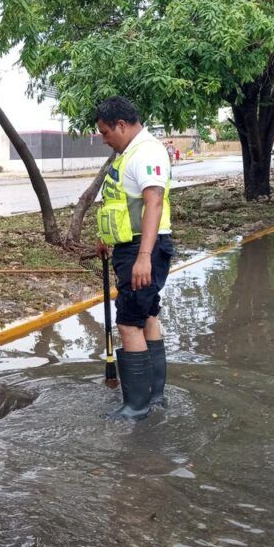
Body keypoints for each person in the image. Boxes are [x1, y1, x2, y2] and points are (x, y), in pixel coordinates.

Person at [95, 96, 174, 417]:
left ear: (121, 125)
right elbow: (123, 203)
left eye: (105, 132)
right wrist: (106, 238)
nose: (104, 139)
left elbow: (153, 202)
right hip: (134, 245)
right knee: (147, 316)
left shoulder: (147, 153)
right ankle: (153, 397)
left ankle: (136, 408)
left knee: (128, 323)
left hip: (144, 248)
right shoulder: (130, 153)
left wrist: (143, 256)